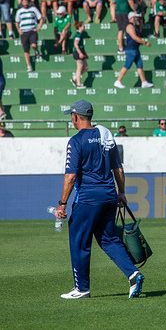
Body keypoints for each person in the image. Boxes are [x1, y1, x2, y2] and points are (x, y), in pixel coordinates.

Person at [55, 100, 144, 299]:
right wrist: (121, 192)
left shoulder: (76, 141)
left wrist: (62, 204)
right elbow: (118, 169)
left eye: (71, 115)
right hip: (109, 195)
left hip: (88, 198)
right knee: (108, 239)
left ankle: (82, 289)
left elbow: (70, 177)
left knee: (79, 241)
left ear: (76, 117)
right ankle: (133, 274)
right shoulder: (105, 134)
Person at [114, 12, 153, 89]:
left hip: (135, 49)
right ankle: (118, 81)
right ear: (132, 18)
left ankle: (144, 82)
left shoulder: (135, 26)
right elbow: (134, 37)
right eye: (136, 17)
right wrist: (145, 42)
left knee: (140, 65)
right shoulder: (129, 26)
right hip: (131, 49)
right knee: (127, 65)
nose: (137, 19)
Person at [15, 0, 43, 72]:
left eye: (26, 2)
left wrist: (39, 27)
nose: (25, 3)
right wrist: (19, 30)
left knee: (34, 45)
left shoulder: (33, 9)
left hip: (32, 31)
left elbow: (41, 18)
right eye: (23, 2)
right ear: (21, 3)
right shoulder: (19, 11)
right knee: (26, 50)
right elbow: (17, 22)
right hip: (24, 32)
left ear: (29, 2)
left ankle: (36, 50)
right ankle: (29, 66)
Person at [71, 22, 88, 88]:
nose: (84, 27)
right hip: (77, 53)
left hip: (81, 52)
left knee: (86, 67)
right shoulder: (78, 35)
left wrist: (84, 53)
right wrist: (80, 53)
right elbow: (76, 44)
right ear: (80, 27)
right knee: (79, 67)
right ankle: (78, 84)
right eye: (83, 26)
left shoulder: (80, 34)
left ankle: (75, 78)